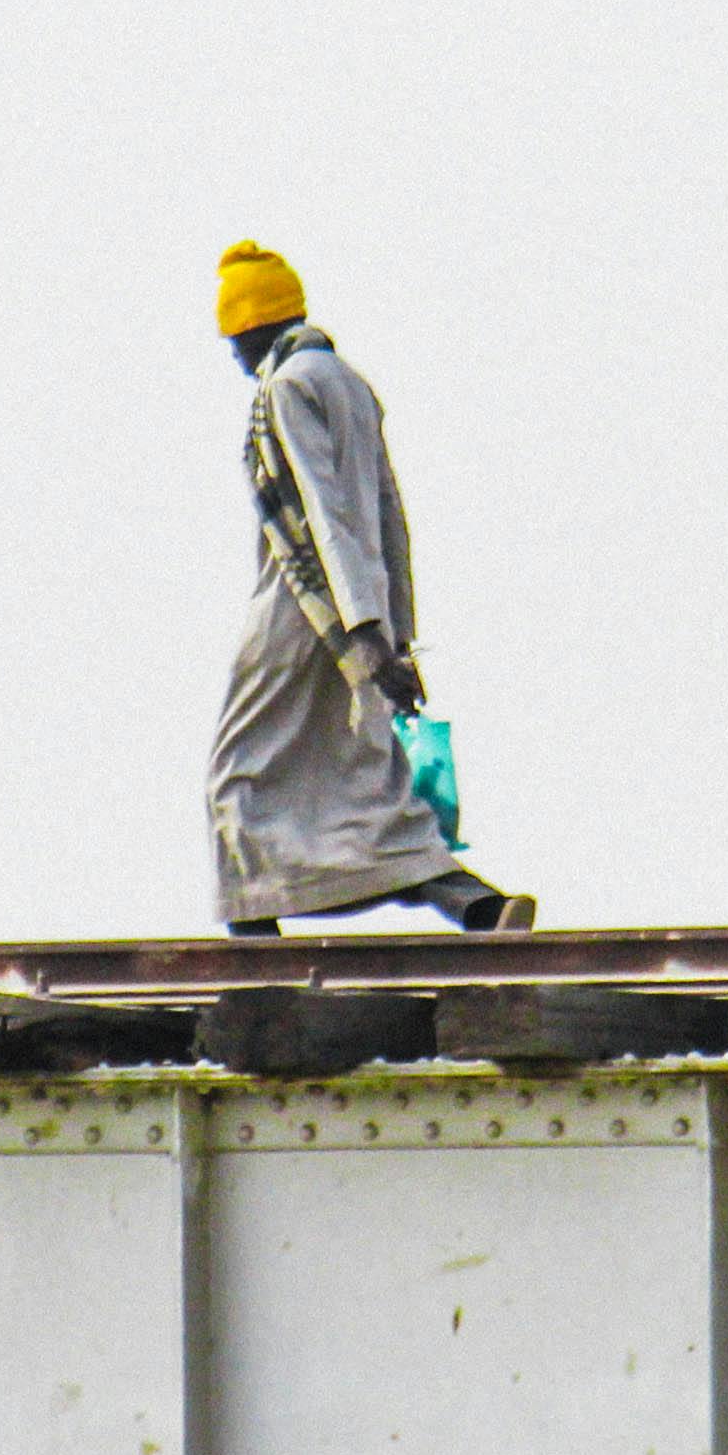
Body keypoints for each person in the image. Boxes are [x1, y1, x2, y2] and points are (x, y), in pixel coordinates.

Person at [207, 242, 535, 936]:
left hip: (303, 611)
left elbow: (322, 512)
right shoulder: (349, 382)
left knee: (236, 776)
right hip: (363, 614)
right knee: (367, 783)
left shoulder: (286, 388)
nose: (234, 355)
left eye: (234, 338)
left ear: (252, 326)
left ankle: (255, 950)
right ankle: (475, 905)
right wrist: (394, 635)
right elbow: (389, 518)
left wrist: (359, 632)